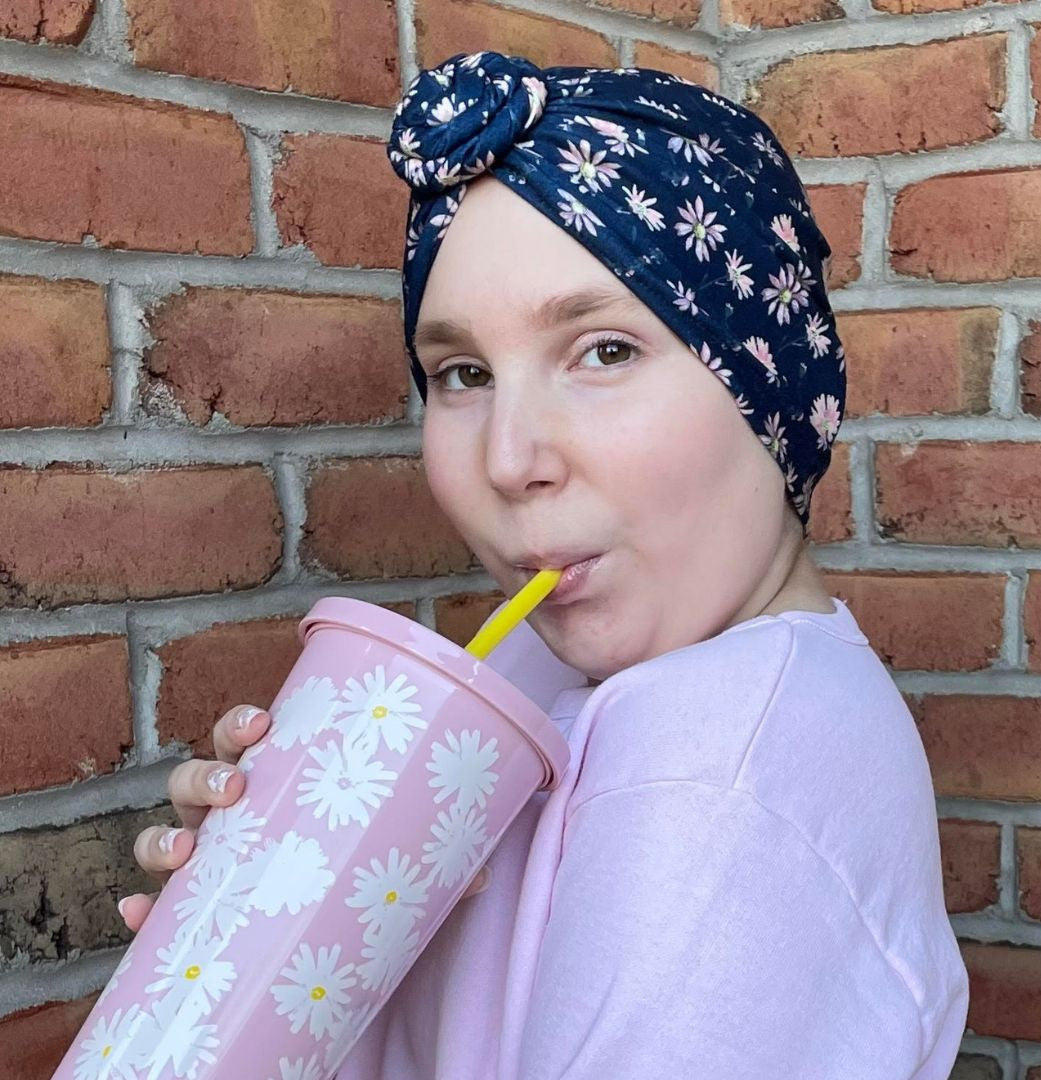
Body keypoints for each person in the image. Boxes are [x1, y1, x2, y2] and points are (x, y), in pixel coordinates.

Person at [120, 52, 969, 1078]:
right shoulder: (548, 669)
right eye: (463, 373)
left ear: (768, 390)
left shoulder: (717, 788)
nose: (508, 459)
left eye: (604, 350)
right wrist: (269, 965)